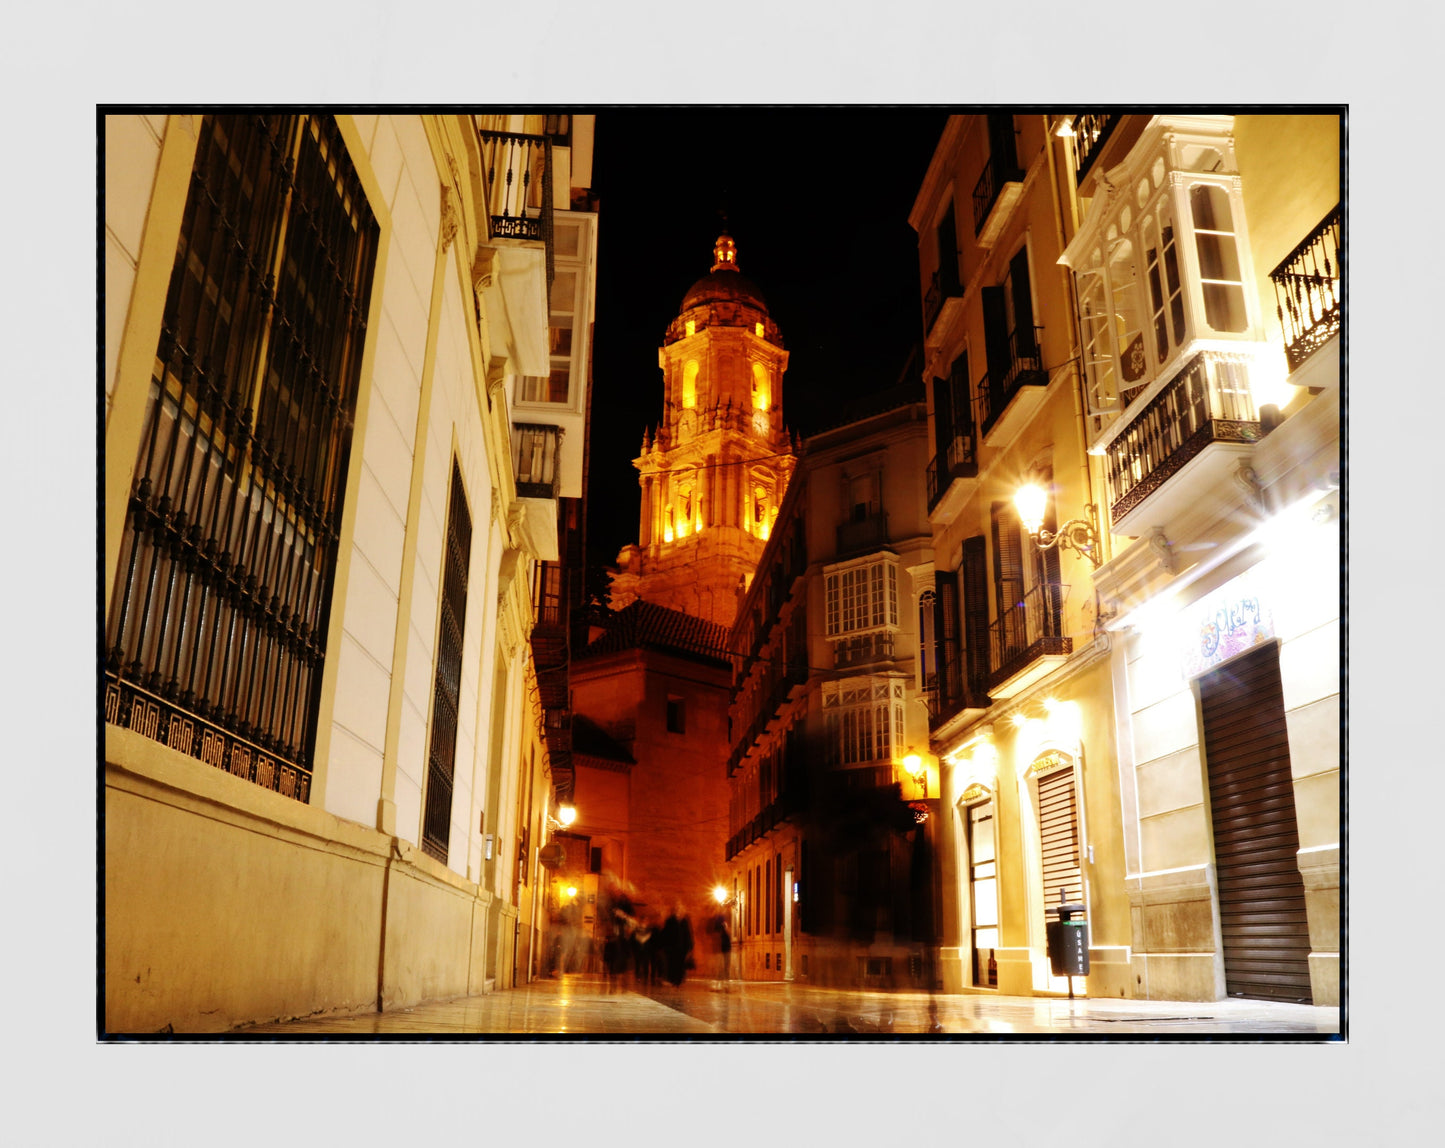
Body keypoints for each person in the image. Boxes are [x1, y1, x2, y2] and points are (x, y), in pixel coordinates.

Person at [659, 900, 694, 987]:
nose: (678, 910)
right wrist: (664, 945)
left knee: (680, 964)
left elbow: (688, 934)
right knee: (672, 963)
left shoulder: (685, 921)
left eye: (679, 908)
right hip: (671, 947)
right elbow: (665, 933)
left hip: (682, 947)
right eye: (676, 908)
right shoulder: (670, 920)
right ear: (674, 910)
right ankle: (673, 980)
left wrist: (690, 946)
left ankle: (678, 981)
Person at [709, 909, 732, 989]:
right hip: (721, 948)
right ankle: (722, 983)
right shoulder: (720, 927)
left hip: (725, 948)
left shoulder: (723, 926)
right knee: (722, 966)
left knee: (725, 966)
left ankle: (724, 983)